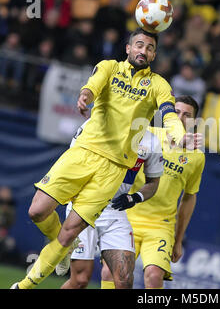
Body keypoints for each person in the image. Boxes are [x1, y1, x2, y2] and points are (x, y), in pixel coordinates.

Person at [11, 28, 202, 289]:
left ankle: (23, 285)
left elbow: (168, 114)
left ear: (155, 54)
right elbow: (92, 85)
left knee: (114, 275)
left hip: (112, 173)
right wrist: (85, 96)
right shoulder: (109, 67)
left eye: (149, 48)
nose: (143, 51)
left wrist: (180, 137)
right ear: (128, 48)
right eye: (139, 45)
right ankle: (62, 246)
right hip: (84, 153)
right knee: (37, 211)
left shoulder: (158, 87)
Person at [103, 96, 206, 289]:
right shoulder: (147, 135)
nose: (180, 118)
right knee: (110, 272)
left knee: (154, 276)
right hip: (127, 218)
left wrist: (178, 240)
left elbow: (189, 197)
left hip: (160, 226)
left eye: (187, 115)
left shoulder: (197, 156)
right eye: (175, 112)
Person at [59, 123, 164, 289]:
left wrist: (135, 197)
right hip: (84, 205)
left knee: (124, 280)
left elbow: (153, 183)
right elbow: (71, 159)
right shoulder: (97, 122)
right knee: (79, 281)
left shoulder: (151, 141)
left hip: (116, 211)